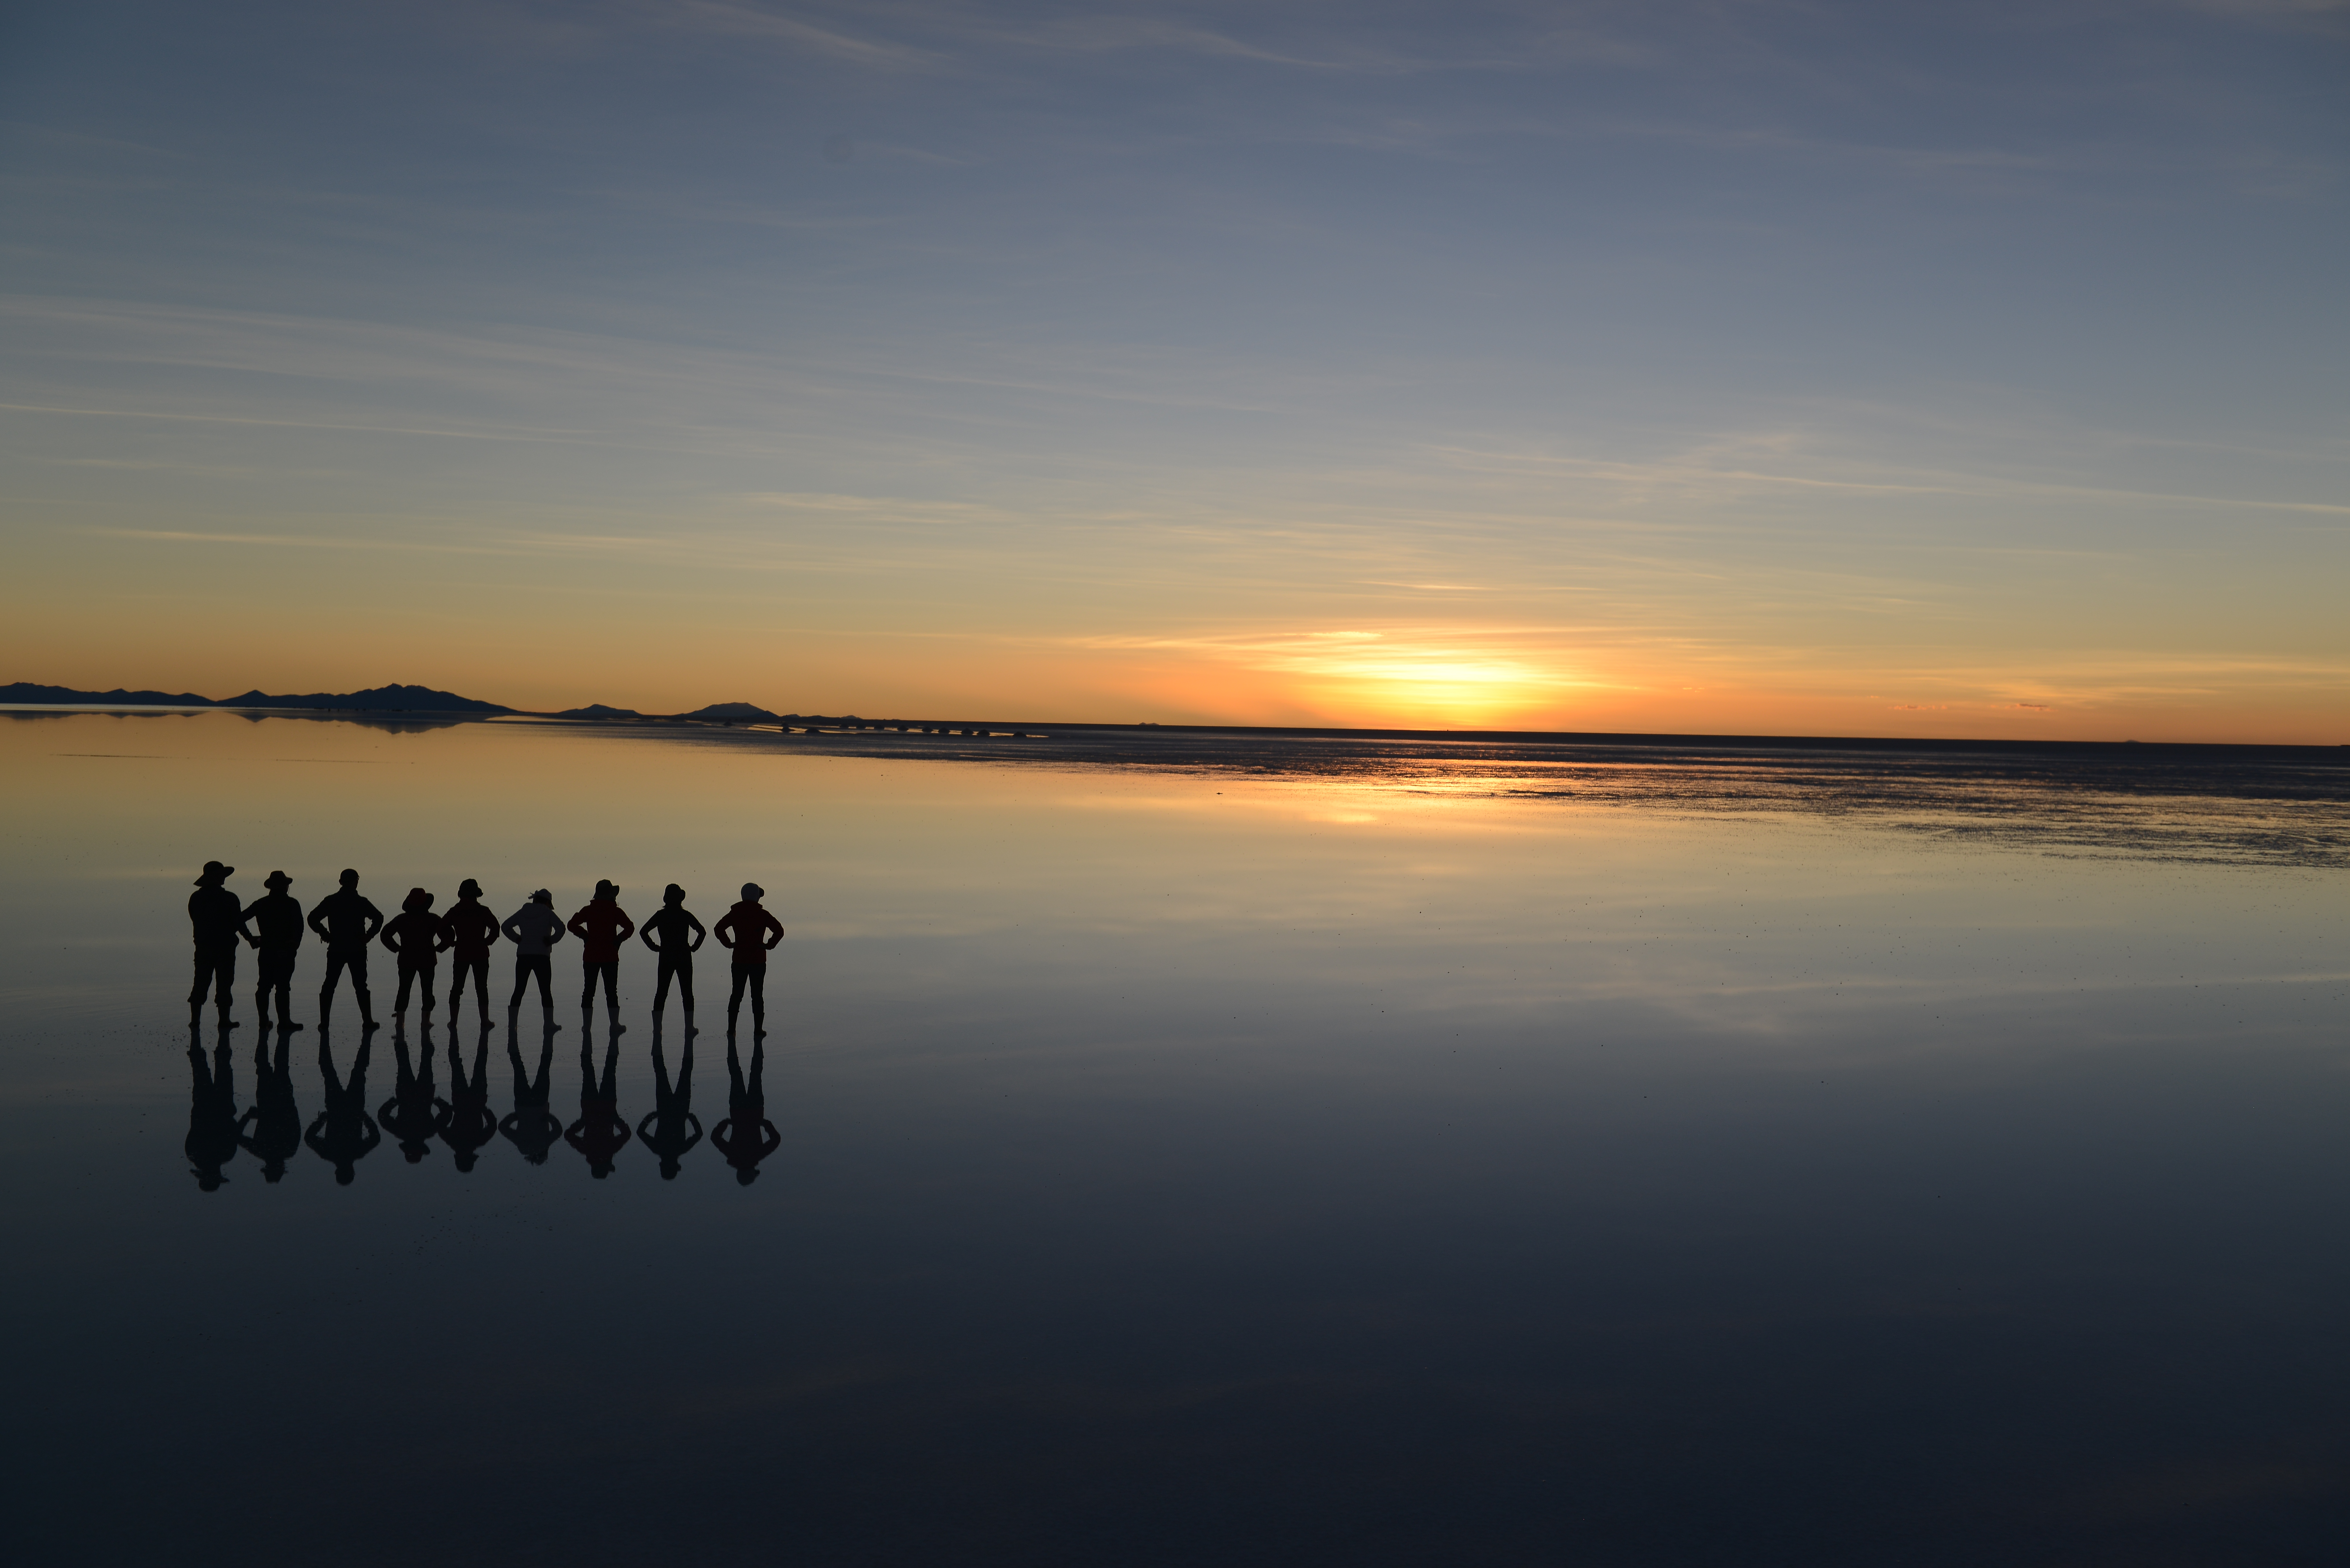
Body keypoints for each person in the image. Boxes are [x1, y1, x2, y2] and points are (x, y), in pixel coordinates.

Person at [308, 869, 384, 1031]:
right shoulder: (361, 902)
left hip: (337, 948)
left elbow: (312, 918)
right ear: (356, 882)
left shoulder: (332, 901)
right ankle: (368, 1021)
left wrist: (325, 934)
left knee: (330, 985)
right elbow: (379, 918)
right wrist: (368, 936)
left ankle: (325, 1023)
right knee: (360, 986)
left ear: (341, 882)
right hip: (357, 949)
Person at [305, 1032, 379, 1185]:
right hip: (337, 1108)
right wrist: (322, 1120)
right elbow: (309, 1138)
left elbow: (375, 1138)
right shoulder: (329, 1154)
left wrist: (365, 1118)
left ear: (352, 1170)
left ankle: (363, 1040)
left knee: (359, 1069)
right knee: (329, 1071)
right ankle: (324, 1039)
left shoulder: (356, 1153)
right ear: (337, 1171)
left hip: (351, 1108)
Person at [713, 882, 784, 1037]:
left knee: (736, 995)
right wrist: (769, 945)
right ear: (757, 897)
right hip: (758, 960)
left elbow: (718, 929)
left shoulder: (735, 913)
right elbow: (779, 930)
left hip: (739, 959)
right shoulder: (763, 915)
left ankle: (731, 1030)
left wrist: (729, 944)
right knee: (757, 996)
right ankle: (758, 1030)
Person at [240, 870, 306, 1032]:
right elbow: (299, 927)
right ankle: (284, 1022)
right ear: (285, 887)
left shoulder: (261, 904)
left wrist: (250, 938)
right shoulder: (292, 904)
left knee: (264, 986)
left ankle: (264, 1020)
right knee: (282, 987)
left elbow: (239, 919)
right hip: (285, 949)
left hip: (267, 950)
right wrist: (294, 944)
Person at [237, 1026, 303, 1183]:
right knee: (267, 1066)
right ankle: (267, 1034)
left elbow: (295, 1121)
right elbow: (237, 1136)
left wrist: (248, 1117)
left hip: (277, 1102)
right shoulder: (263, 1151)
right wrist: (248, 1117)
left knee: (277, 1066)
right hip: (272, 1102)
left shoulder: (287, 1150)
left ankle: (271, 1034)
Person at [567, 880, 635, 1032]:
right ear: (611, 896)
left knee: (588, 991)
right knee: (611, 992)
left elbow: (571, 925)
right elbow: (630, 928)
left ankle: (587, 1026)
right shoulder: (615, 911)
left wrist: (586, 936)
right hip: (610, 956)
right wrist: (619, 940)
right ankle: (614, 1025)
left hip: (591, 955)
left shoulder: (588, 910)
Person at [188, 861, 249, 1028]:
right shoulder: (229, 898)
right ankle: (224, 1021)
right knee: (224, 984)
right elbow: (238, 923)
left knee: (200, 982)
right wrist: (250, 938)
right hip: (225, 948)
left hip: (203, 948)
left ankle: (195, 1021)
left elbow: (195, 919)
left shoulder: (196, 898)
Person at [713, 1034, 780, 1185]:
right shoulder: (732, 1155)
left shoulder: (757, 1156)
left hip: (756, 1110)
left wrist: (764, 1124)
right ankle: (732, 1044)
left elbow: (776, 1140)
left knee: (756, 1074)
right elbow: (715, 1138)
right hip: (737, 1111)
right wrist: (727, 1123)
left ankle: (756, 1045)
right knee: (736, 1074)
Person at [564, 1031, 632, 1179]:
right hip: (590, 1106)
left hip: (607, 1106)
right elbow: (569, 1135)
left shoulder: (609, 1150)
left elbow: (627, 1134)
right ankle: (588, 1038)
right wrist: (584, 1121)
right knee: (588, 1071)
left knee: (610, 1069)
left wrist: (614, 1119)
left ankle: (610, 1039)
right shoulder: (586, 1150)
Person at [639, 884, 705, 1034]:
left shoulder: (660, 915)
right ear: (681, 900)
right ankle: (689, 1028)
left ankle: (657, 1029)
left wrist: (655, 947)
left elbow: (643, 932)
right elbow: (702, 932)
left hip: (666, 956)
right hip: (684, 956)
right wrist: (694, 947)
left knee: (661, 993)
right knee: (687, 993)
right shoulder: (686, 915)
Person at [635, 1032, 701, 1180]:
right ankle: (658, 1042)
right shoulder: (657, 1149)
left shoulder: (681, 1149)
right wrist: (652, 1117)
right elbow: (640, 1132)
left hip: (680, 1110)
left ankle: (686, 1044)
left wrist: (691, 1117)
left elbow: (699, 1134)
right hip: (665, 1109)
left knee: (685, 1073)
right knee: (661, 1073)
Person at [434, 1021, 498, 1173]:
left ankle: (473, 1035)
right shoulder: (453, 1141)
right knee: (458, 1064)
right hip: (462, 1101)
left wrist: (483, 1109)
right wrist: (448, 1110)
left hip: (475, 1100)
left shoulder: (478, 1141)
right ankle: (458, 1036)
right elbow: (440, 1124)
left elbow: (493, 1124)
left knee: (480, 1063)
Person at [380, 888, 451, 1022]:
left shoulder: (401, 919)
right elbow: (449, 933)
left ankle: (400, 1022)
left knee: (404, 990)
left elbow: (385, 934)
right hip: (428, 958)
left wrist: (397, 948)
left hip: (406, 958)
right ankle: (426, 1021)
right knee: (427, 991)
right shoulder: (433, 919)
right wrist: (440, 948)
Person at [185, 1021, 240, 1191]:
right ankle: (217, 1033)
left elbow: (233, 1129)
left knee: (220, 1065)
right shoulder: (193, 1153)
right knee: (203, 1066)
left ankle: (207, 1033)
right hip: (206, 1105)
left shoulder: (226, 1154)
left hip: (216, 1105)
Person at [501, 889, 566, 1029]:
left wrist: (517, 939)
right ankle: (549, 1024)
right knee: (545, 991)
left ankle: (512, 1024)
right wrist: (551, 940)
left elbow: (505, 926)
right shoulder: (548, 914)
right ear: (548, 903)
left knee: (519, 989)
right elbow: (561, 928)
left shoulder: (522, 912)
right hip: (542, 956)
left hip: (523, 955)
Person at [377, 1020, 439, 1163]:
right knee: (405, 1062)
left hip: (423, 1094)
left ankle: (415, 1037)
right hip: (407, 1094)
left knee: (425, 1062)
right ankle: (402, 1039)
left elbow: (446, 1115)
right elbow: (382, 1116)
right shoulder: (400, 1132)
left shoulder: (428, 1132)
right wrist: (394, 1102)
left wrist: (437, 1102)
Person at [497, 1033, 563, 1165]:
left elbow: (558, 1131)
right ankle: (512, 1036)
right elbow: (503, 1127)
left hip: (540, 1104)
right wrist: (516, 1116)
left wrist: (549, 1117)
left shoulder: (545, 1145)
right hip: (522, 1105)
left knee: (545, 1066)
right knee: (518, 1067)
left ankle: (548, 1036)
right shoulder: (523, 1148)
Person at [443, 878, 501, 1027]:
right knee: (482, 988)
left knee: (457, 988)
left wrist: (451, 942)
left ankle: (453, 1022)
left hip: (461, 952)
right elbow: (496, 928)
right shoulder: (483, 911)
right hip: (480, 952)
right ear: (476, 895)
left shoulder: (455, 911)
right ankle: (485, 1021)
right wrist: (488, 941)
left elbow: (441, 928)